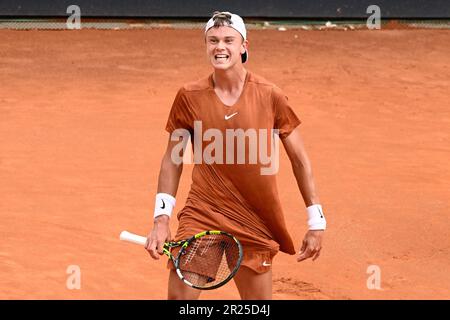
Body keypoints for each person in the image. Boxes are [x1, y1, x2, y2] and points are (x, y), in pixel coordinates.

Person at [145, 11, 326, 300]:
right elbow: (173, 158)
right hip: (203, 212)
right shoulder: (189, 96)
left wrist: (316, 222)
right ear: (206, 46)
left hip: (255, 218)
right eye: (213, 40)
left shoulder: (270, 95)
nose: (220, 47)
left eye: (229, 40)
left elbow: (300, 159)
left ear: (244, 47)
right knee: (180, 300)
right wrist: (161, 219)